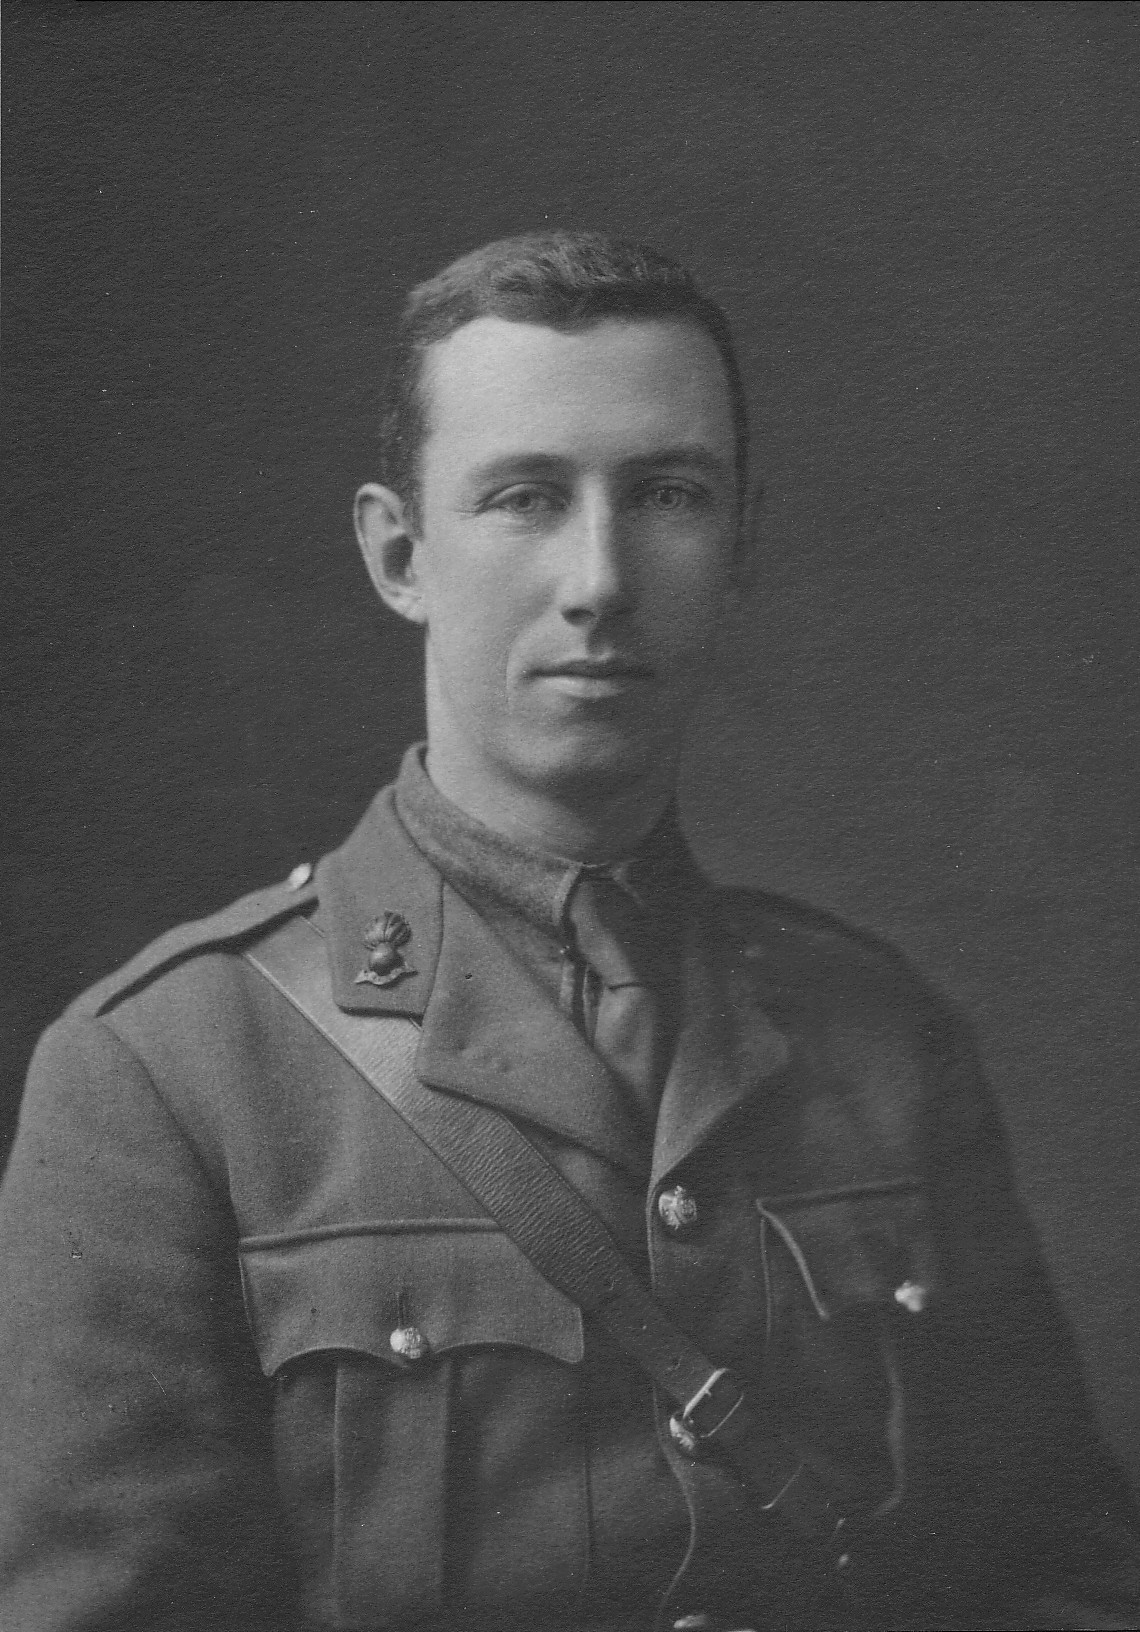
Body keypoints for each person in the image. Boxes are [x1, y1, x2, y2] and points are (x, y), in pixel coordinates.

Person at [1, 231, 1136, 1632]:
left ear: (740, 544)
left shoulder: (882, 1035)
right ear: (400, 553)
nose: (601, 577)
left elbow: (1058, 1578)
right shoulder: (166, 1072)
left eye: (667, 494)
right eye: (526, 497)